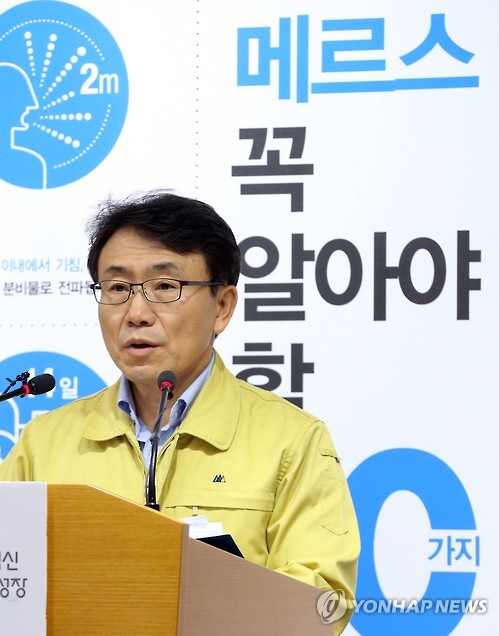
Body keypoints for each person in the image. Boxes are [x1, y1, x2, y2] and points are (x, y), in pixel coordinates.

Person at [0, 191, 359, 633]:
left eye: (165, 287)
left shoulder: (292, 440)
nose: (136, 313)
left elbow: (320, 602)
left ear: (222, 307)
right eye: (117, 289)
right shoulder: (44, 443)